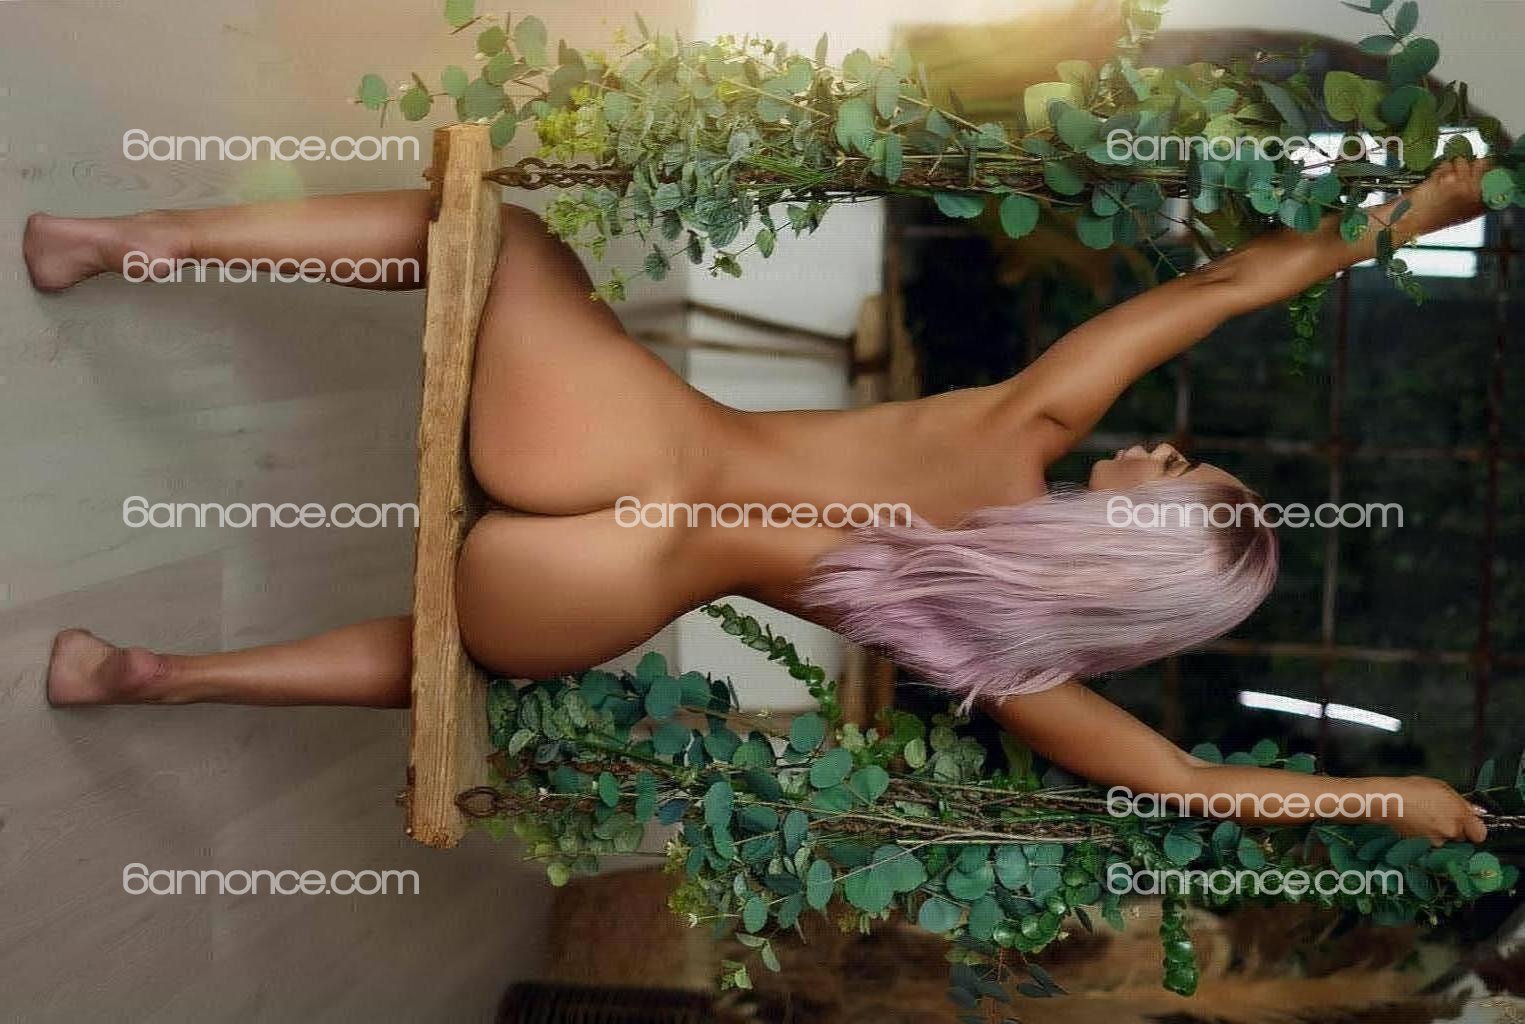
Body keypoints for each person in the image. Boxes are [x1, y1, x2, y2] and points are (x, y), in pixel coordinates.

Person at [25, 155, 1494, 845]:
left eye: (1176, 478)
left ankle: (125, 237)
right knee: (450, 663)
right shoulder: (1013, 658)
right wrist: (1395, 801)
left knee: (507, 241)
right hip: (577, 598)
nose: (1159, 454)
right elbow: (1171, 782)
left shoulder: (1025, 424)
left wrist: (1404, 219)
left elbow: (1226, 285)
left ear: (1135, 538)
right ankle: (144, 675)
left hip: (607, 447)